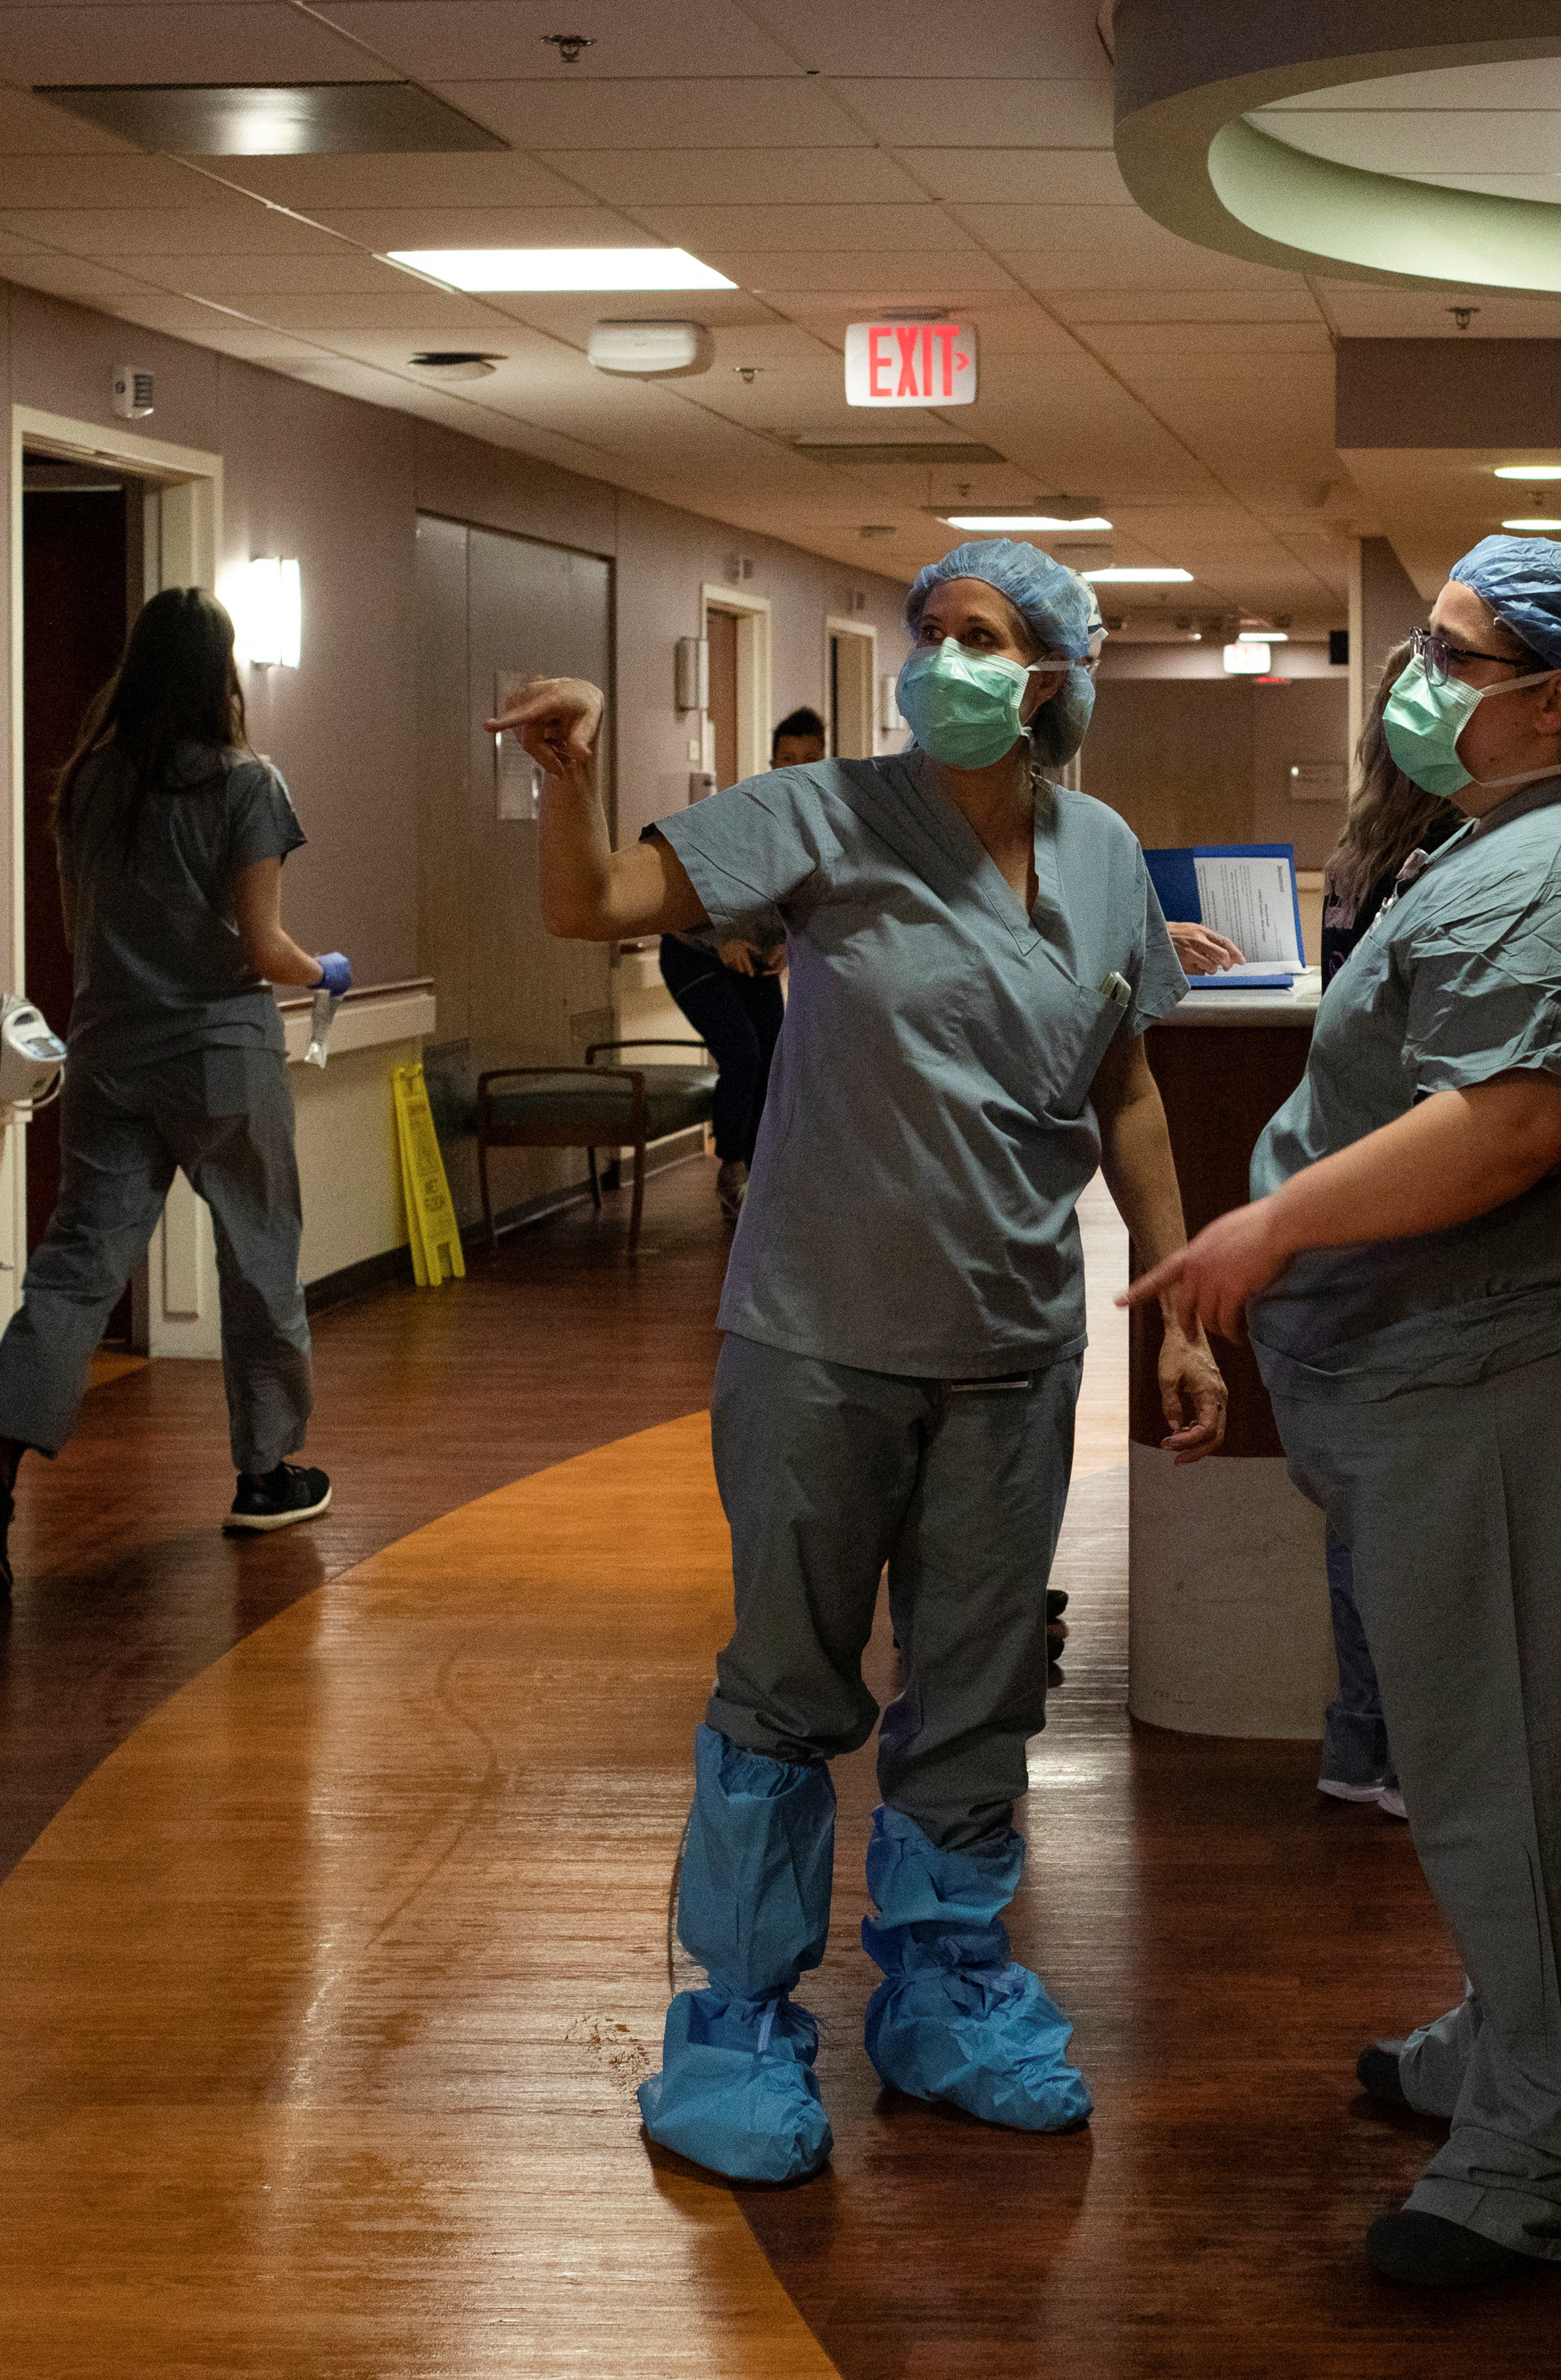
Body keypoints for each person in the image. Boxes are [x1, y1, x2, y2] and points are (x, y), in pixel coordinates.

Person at [486, 538, 1231, 2187]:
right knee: (790, 1676)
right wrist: (571, 774)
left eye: (980, 637)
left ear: (1051, 676)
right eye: (930, 633)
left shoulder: (1103, 854)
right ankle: (740, 2018)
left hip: (1014, 1344)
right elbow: (590, 901)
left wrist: (1176, 1298)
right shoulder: (821, 819)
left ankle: (949, 1993)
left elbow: (1127, 1085)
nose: (941, 660)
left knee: (976, 1688)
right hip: (820, 1337)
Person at [1125, 535, 1561, 2286]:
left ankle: (1543, 2170)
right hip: (1459, 1380)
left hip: (1520, 1389)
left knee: (1526, 1773)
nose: (1415, 677)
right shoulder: (1516, 844)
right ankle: (1515, 2047)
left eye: (1452, 657)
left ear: (1554, 697)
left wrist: (1265, 1222)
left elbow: (1514, 1125)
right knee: (1489, 1762)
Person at [0, 588, 345, 1596]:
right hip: (217, 1051)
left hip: (108, 1051)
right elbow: (260, 945)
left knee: (78, 1264)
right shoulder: (248, 783)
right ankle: (265, 1474)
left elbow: (87, 930)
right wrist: (322, 970)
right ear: (221, 673)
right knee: (259, 1256)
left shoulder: (89, 781)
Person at [1307, 639, 1464, 1822]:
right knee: (1420, 1492)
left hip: (1354, 1199)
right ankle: (1401, 1743)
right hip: (1427, 1202)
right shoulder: (1452, 861)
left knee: (1373, 1483)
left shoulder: (1358, 860)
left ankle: (1366, 1734)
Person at [659, 706, 820, 1219]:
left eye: (809, 760)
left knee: (775, 1058)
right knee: (744, 1054)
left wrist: (791, 945)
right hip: (696, 951)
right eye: (787, 759)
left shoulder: (823, 818)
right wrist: (727, 935)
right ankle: (732, 1169)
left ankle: (763, 1169)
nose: (796, 768)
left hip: (756, 955)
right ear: (771, 762)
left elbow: (815, 897)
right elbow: (706, 871)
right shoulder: (746, 808)